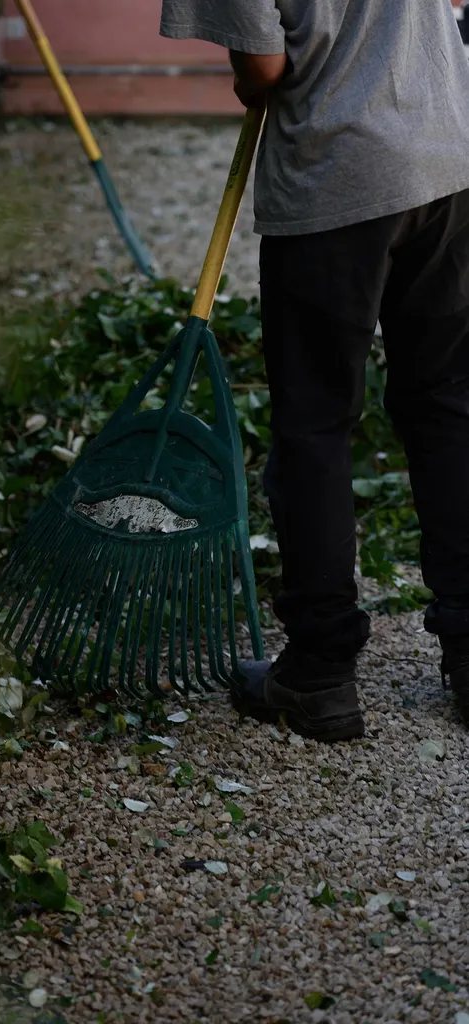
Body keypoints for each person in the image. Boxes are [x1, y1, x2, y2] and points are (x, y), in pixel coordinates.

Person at [160, 0, 469, 741]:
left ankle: (321, 673)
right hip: (448, 156)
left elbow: (262, 70)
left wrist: (252, 79)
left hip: (340, 176)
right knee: (448, 406)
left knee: (317, 423)